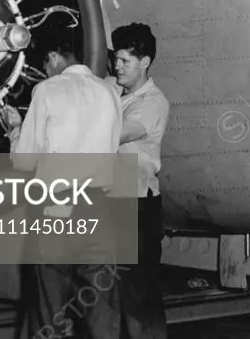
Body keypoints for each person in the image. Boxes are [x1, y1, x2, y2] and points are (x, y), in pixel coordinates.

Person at [0, 40, 124, 339]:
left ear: (54, 57)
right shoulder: (110, 92)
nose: (45, 73)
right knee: (102, 306)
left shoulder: (47, 90)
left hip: (57, 206)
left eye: (45, 66)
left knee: (50, 306)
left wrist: (15, 129)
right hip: (97, 206)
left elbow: (25, 161)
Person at [106, 23, 171, 339]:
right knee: (112, 297)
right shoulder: (115, 92)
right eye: (115, 60)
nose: (116, 67)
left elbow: (116, 134)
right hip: (113, 205)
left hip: (137, 208)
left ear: (144, 62)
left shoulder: (152, 103)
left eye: (124, 61)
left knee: (138, 297)